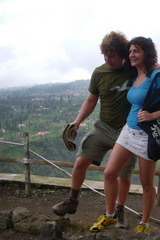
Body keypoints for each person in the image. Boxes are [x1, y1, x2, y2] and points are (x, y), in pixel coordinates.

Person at [89, 37, 160, 234]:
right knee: (109, 173)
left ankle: (144, 223)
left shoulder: (157, 77)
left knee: (146, 184)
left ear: (146, 53)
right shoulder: (133, 73)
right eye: (130, 51)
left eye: (137, 51)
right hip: (127, 131)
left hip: (146, 136)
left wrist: (152, 115)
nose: (132, 54)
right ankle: (110, 215)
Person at [51, 31, 137, 229]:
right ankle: (72, 201)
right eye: (105, 55)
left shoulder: (133, 70)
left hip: (126, 131)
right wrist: (78, 121)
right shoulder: (99, 73)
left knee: (123, 174)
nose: (108, 59)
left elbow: (150, 71)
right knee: (81, 161)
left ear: (123, 54)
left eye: (112, 55)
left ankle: (119, 211)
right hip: (103, 126)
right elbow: (91, 100)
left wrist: (157, 66)